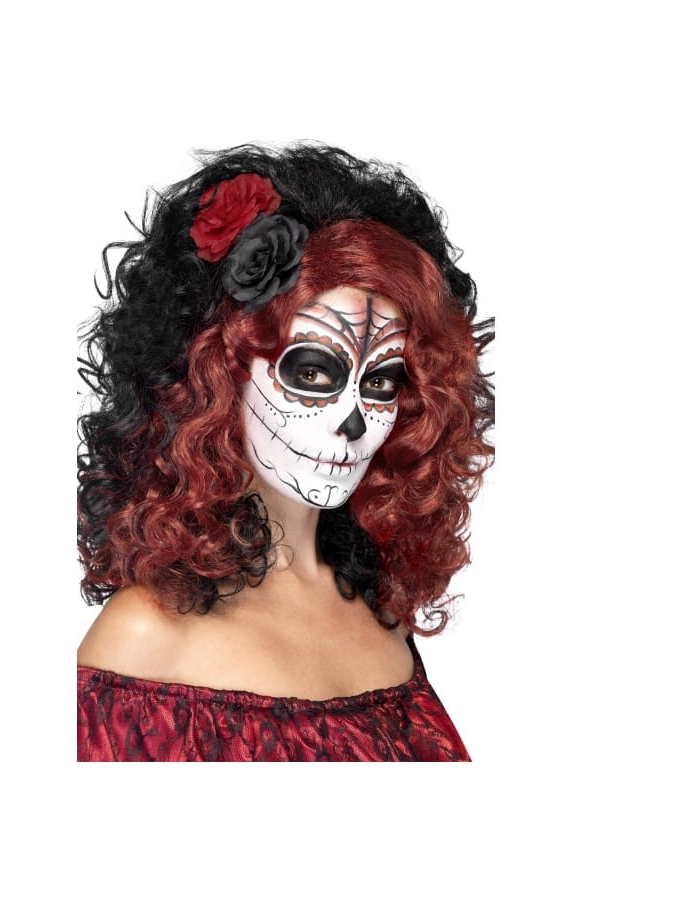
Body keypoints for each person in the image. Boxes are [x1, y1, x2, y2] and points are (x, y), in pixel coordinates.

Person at [76, 144, 494, 761]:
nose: (354, 421)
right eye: (314, 373)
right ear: (216, 380)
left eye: (381, 382)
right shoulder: (144, 640)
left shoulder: (382, 613)